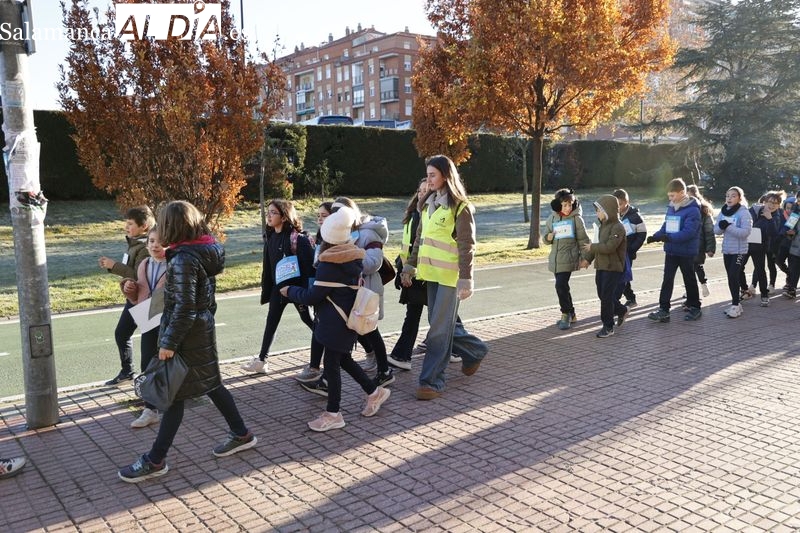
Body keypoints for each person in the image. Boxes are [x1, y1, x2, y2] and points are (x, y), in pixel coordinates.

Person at [118, 201, 256, 483]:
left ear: (172, 225)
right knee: (211, 383)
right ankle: (241, 433)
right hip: (200, 331)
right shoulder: (203, 250)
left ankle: (155, 460)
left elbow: (183, 307)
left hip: (186, 335)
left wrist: (168, 343)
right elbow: (204, 299)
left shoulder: (182, 258)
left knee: (176, 395)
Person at [281, 205, 391, 431]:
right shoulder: (351, 256)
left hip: (334, 321)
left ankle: (334, 413)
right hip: (345, 319)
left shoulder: (330, 264)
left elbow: (313, 296)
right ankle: (373, 392)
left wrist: (290, 291)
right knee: (342, 359)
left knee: (332, 365)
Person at [401, 154, 488, 400]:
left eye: (432, 175)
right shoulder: (427, 204)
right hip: (431, 275)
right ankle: (475, 350)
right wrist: (410, 265)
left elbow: (467, 245)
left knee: (438, 330)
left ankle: (431, 382)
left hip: (450, 276)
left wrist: (466, 278)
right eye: (427, 175)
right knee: (439, 323)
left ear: (446, 176)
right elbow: (420, 239)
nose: (428, 180)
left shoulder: (460, 207)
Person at [241, 199, 315, 374]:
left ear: (284, 216)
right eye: (268, 212)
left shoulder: (297, 239)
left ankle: (330, 346)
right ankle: (262, 360)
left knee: (308, 320)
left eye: (273, 212)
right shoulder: (270, 237)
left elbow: (309, 267)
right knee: (271, 322)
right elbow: (268, 267)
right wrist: (268, 288)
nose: (269, 216)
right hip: (278, 289)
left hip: (296, 290)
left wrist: (305, 292)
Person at [331, 197, 395, 388]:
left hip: (366, 289)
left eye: (339, 213)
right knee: (355, 327)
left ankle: (384, 371)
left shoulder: (368, 234)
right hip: (349, 289)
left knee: (371, 330)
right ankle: (372, 359)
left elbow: (374, 263)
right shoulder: (340, 233)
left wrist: (349, 259)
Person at [99, 206, 155, 385]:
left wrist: (114, 266)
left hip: (143, 299)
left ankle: (146, 379)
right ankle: (129, 372)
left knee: (144, 341)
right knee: (123, 333)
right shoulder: (134, 244)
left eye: (130, 224)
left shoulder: (145, 247)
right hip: (134, 297)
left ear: (144, 226)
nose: (126, 227)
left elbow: (139, 276)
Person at [121, 228, 167, 428]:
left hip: (168, 322)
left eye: (160, 241)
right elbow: (139, 293)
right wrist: (129, 289)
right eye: (152, 241)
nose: (155, 245)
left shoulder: (175, 265)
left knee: (173, 363)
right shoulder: (144, 264)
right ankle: (150, 410)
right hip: (148, 319)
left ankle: (201, 391)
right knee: (147, 363)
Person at [646, 178, 703, 322]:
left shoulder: (693, 210)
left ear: (682, 192)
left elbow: (689, 232)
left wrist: (669, 238)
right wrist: (656, 236)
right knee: (667, 279)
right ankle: (664, 310)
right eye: (669, 196)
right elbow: (666, 226)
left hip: (686, 252)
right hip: (671, 250)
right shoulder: (671, 207)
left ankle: (695, 307)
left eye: (672, 195)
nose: (670, 198)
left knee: (689, 279)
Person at [388, 179, 429, 371]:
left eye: (427, 190)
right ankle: (402, 355)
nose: (422, 194)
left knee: (442, 316)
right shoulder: (412, 216)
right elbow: (407, 248)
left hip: (426, 275)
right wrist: (402, 269)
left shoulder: (431, 216)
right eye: (420, 191)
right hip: (413, 275)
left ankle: (461, 346)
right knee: (414, 314)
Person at [295, 201, 332, 383]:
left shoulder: (338, 238)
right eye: (318, 216)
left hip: (333, 292)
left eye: (324, 215)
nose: (319, 219)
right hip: (320, 287)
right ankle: (315, 368)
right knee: (318, 325)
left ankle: (377, 362)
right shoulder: (320, 236)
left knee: (361, 333)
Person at [580, 194, 628, 338]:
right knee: (602, 295)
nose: (597, 214)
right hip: (601, 266)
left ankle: (608, 326)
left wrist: (592, 247)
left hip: (613, 267)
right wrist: (588, 260)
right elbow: (596, 245)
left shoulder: (618, 227)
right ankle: (621, 310)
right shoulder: (602, 226)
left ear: (608, 210)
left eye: (599, 210)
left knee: (606, 297)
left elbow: (609, 247)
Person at [543, 188, 590, 329]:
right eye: (565, 205)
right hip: (556, 260)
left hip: (569, 258)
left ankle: (565, 314)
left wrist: (586, 258)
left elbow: (584, 241)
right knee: (563, 287)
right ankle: (572, 313)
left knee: (560, 285)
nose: (568, 208)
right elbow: (545, 238)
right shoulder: (552, 218)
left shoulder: (577, 219)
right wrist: (548, 237)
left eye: (570, 204)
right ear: (558, 205)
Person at [714, 186, 752, 318]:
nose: (729, 198)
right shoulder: (723, 211)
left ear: (739, 198)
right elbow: (716, 230)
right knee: (731, 278)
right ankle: (736, 304)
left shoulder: (744, 213)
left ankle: (735, 305)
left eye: (733, 196)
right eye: (727, 196)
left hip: (740, 251)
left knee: (733, 276)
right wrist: (721, 226)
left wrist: (729, 226)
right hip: (727, 250)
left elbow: (745, 233)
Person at [612, 189, 647, 308]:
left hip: (628, 252)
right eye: (616, 205)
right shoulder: (614, 215)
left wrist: (632, 248)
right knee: (621, 276)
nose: (618, 207)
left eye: (620, 204)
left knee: (623, 276)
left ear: (627, 202)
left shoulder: (635, 216)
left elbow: (642, 234)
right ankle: (631, 298)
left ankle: (616, 301)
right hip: (616, 252)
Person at [747, 191, 781, 307]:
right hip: (746, 244)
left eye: (775, 203)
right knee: (738, 268)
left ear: (778, 206)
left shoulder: (775, 216)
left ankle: (764, 295)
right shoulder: (754, 210)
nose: (772, 205)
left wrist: (770, 218)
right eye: (770, 202)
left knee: (761, 270)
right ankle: (745, 289)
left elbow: (773, 233)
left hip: (761, 247)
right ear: (764, 202)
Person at [686, 184, 716, 300]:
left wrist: (710, 248)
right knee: (692, 267)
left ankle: (702, 286)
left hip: (697, 244)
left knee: (694, 266)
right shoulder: (685, 208)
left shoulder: (703, 210)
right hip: (688, 243)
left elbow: (709, 231)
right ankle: (697, 287)